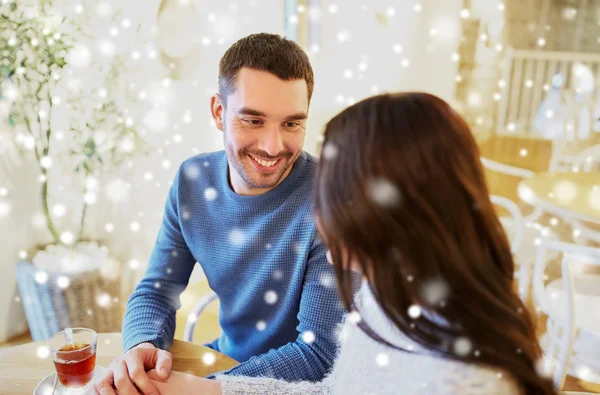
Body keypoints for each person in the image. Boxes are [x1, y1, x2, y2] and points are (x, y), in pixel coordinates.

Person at [137, 93, 557, 394]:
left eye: (332, 187)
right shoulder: (388, 293)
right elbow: (338, 388)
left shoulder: (460, 380)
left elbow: (318, 361)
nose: (318, 208)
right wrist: (203, 390)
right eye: (252, 119)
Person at [96, 33, 349, 395]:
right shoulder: (191, 181)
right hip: (222, 364)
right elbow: (157, 289)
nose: (272, 146)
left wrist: (203, 389)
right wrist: (142, 348)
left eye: (292, 124)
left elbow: (318, 354)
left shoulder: (332, 198)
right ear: (219, 112)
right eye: (253, 120)